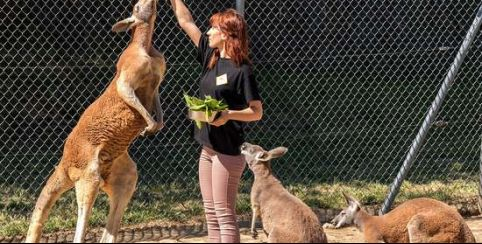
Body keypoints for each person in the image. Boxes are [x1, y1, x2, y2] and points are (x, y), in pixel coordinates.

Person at [169, 0, 263, 243]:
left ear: (226, 35)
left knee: (224, 214)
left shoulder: (242, 70)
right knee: (211, 214)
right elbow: (185, 21)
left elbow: (256, 112)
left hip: (227, 152)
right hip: (208, 149)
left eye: (213, 29)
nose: (208, 32)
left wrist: (229, 114)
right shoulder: (211, 56)